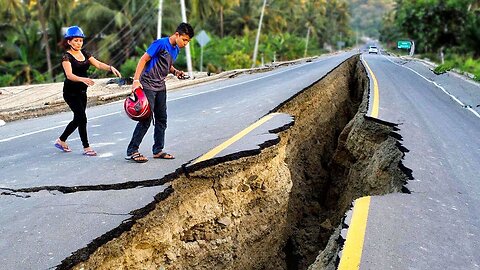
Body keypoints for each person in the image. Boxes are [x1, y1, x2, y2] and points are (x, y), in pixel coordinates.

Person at [125, 22, 194, 163]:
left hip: (160, 86)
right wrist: (136, 80)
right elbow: (144, 59)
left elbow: (167, 64)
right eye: (184, 39)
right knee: (146, 119)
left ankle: (158, 150)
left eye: (188, 41)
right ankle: (132, 150)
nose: (185, 43)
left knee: (162, 119)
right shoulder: (161, 43)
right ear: (177, 34)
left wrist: (175, 72)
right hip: (148, 84)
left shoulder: (176, 49)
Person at [55, 25, 122, 156]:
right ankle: (86, 147)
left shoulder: (85, 53)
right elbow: (69, 75)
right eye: (76, 40)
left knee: (78, 118)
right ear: (69, 42)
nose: (79, 43)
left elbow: (97, 64)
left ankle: (61, 140)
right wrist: (83, 79)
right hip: (70, 93)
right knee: (82, 118)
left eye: (80, 40)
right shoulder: (66, 57)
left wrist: (110, 68)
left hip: (82, 92)